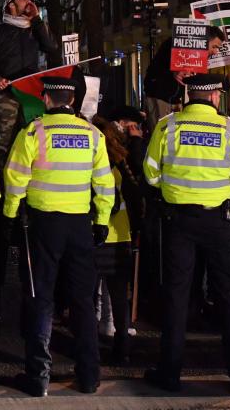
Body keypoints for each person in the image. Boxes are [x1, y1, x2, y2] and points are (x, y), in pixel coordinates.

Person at [142, 74, 230, 396]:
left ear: (190, 94)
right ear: (216, 96)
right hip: (219, 221)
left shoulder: (168, 126)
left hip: (179, 221)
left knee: (177, 296)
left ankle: (170, 373)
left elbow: (150, 174)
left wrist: (173, 188)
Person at [2, 75, 115, 396]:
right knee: (82, 301)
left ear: (47, 100)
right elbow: (105, 184)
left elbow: (15, 180)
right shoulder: (92, 135)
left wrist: (10, 217)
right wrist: (102, 221)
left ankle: (38, 376)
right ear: (73, 101)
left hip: (42, 227)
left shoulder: (33, 133)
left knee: (41, 298)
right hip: (80, 225)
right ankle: (89, 376)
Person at [0, 0, 60, 165]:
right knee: (6, 143)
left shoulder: (35, 29)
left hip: (31, 93)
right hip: (7, 94)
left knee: (32, 139)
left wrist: (37, 18)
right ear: (11, 5)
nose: (29, 0)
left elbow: (52, 47)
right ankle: (4, 182)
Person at [93, 116, 144, 365]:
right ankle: (122, 346)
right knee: (118, 296)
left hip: (94, 235)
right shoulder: (120, 163)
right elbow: (134, 197)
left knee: (87, 294)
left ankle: (90, 345)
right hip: (120, 234)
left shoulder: (90, 163)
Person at [142, 26, 226, 132]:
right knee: (161, 133)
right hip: (160, 99)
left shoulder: (201, 58)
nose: (216, 52)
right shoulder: (173, 45)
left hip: (178, 102)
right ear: (204, 41)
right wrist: (173, 72)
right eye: (214, 47)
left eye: (218, 48)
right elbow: (153, 71)